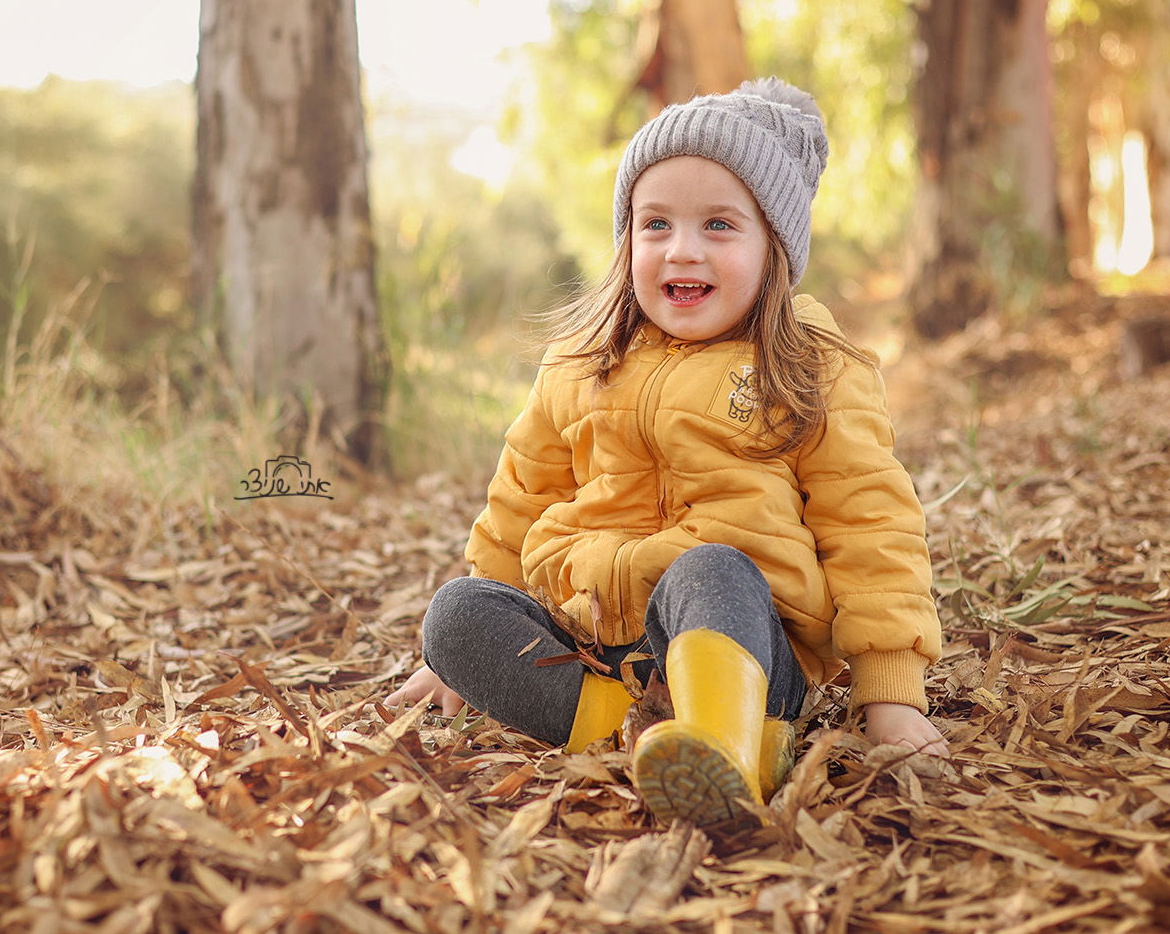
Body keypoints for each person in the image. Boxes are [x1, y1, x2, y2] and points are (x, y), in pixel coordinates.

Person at [384, 78, 947, 827]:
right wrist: (456, 656)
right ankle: (616, 728)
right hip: (594, 649)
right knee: (455, 612)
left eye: (719, 224)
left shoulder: (810, 364)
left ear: (773, 244)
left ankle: (729, 740)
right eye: (656, 224)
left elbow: (871, 523)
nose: (683, 248)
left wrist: (890, 693)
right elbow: (520, 495)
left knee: (710, 567)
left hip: (748, 645)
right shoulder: (581, 360)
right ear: (627, 242)